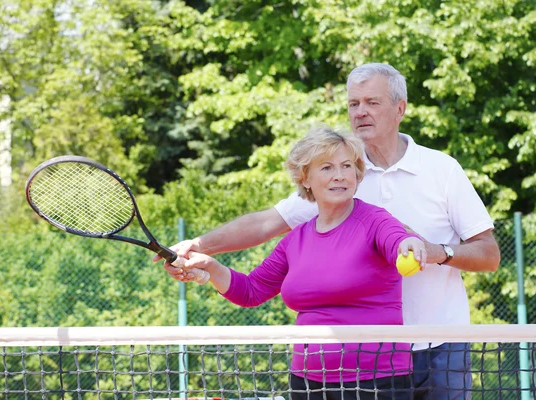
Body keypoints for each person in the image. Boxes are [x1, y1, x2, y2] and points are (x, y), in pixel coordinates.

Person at [156, 63, 501, 399]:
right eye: (354, 103)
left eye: (372, 102)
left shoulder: (440, 170)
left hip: (437, 347)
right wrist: (200, 247)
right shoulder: (331, 183)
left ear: (400, 108)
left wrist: (432, 250)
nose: (360, 112)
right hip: (324, 371)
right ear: (310, 178)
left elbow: (485, 253)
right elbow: (263, 225)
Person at [175, 126, 439, 400]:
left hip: (377, 385)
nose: (339, 176)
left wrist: (409, 244)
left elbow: (396, 239)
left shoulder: (375, 220)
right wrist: (210, 266)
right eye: (327, 167)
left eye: (347, 166)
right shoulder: (296, 239)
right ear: (306, 178)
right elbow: (251, 290)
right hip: (307, 384)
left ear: (357, 173)